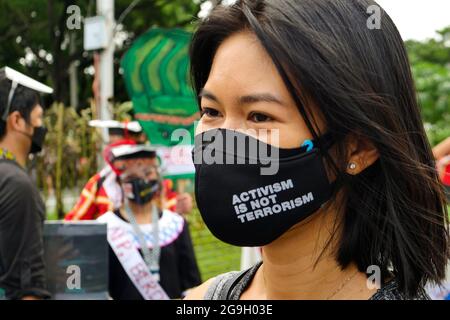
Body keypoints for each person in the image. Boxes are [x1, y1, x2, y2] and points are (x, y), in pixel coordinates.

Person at [186, 0, 449, 300]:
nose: (222, 140)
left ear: (358, 149)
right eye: (211, 111)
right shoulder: (206, 298)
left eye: (259, 116)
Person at [98, 143, 201, 300]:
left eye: (148, 173)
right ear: (119, 183)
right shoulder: (105, 227)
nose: (142, 181)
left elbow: (191, 284)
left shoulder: (175, 225)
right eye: (132, 178)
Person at [65, 120, 192, 220]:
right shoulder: (98, 184)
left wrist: (179, 206)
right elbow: (75, 222)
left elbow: (168, 211)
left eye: (127, 154)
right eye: (115, 153)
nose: (122, 161)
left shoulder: (157, 183)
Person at [0, 67, 53, 299]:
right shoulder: (15, 185)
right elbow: (26, 288)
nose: (42, 127)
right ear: (17, 120)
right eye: (39, 117)